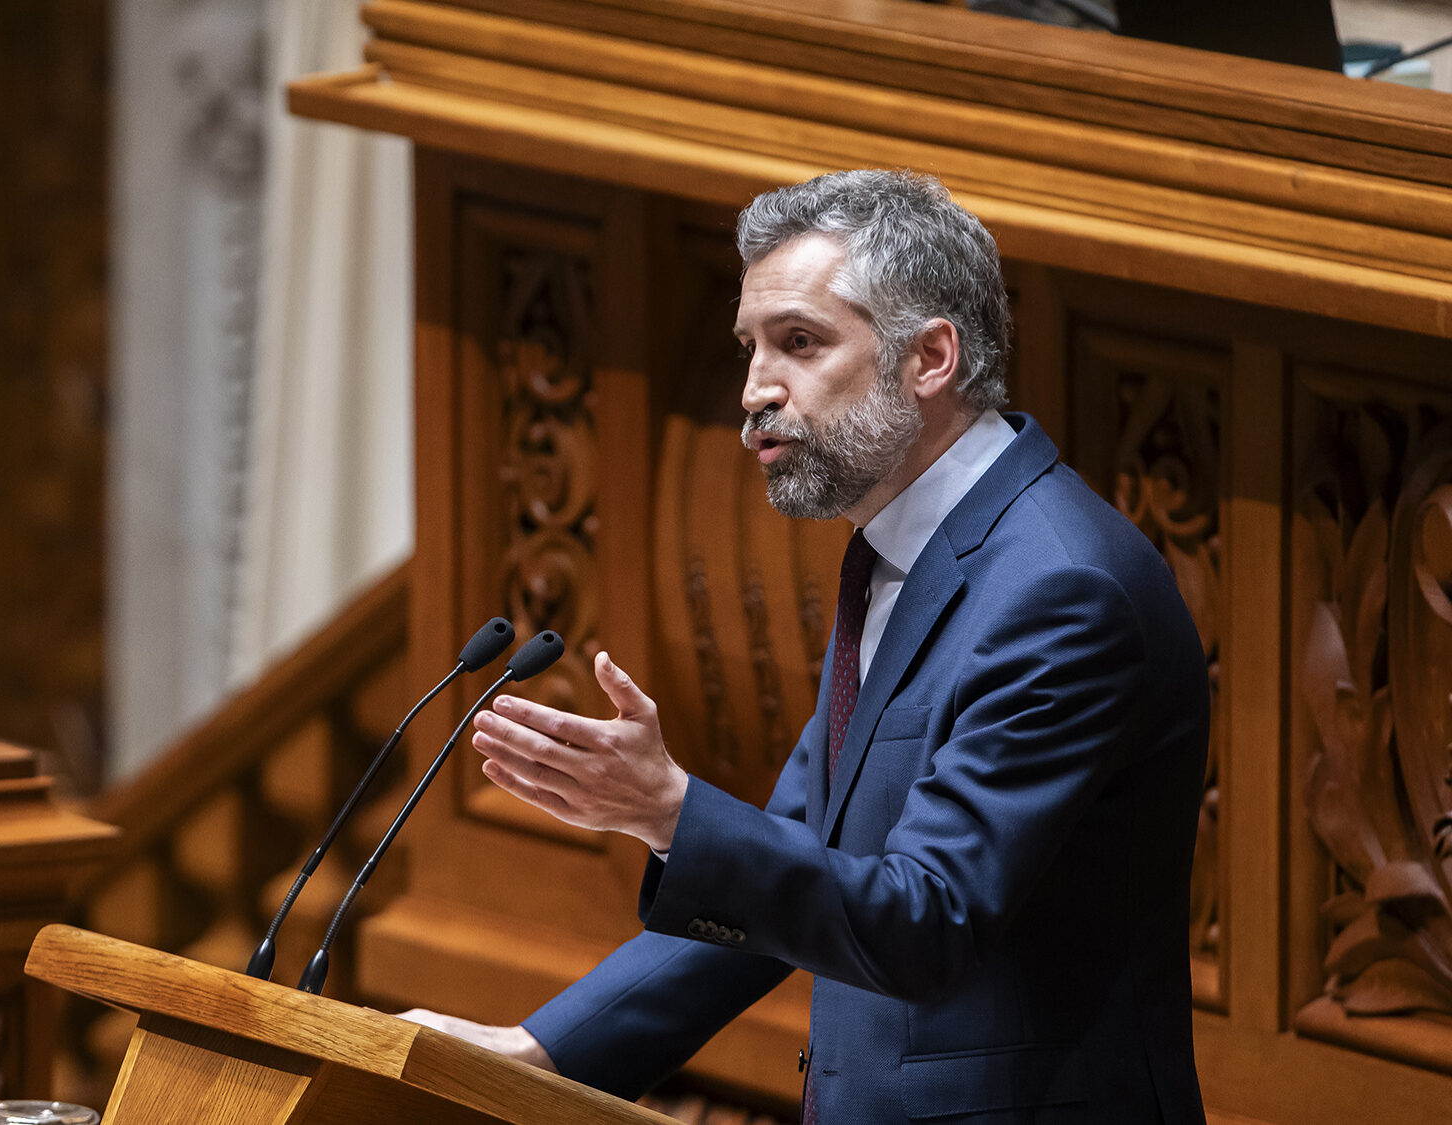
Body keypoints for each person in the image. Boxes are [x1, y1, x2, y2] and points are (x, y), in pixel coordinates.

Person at [399, 169, 1211, 1123]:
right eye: (749, 347)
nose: (752, 390)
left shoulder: (1062, 589)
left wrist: (671, 813)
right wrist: (542, 1053)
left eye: (799, 342)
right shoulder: (897, 553)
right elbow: (802, 859)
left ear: (931, 357)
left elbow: (930, 920)